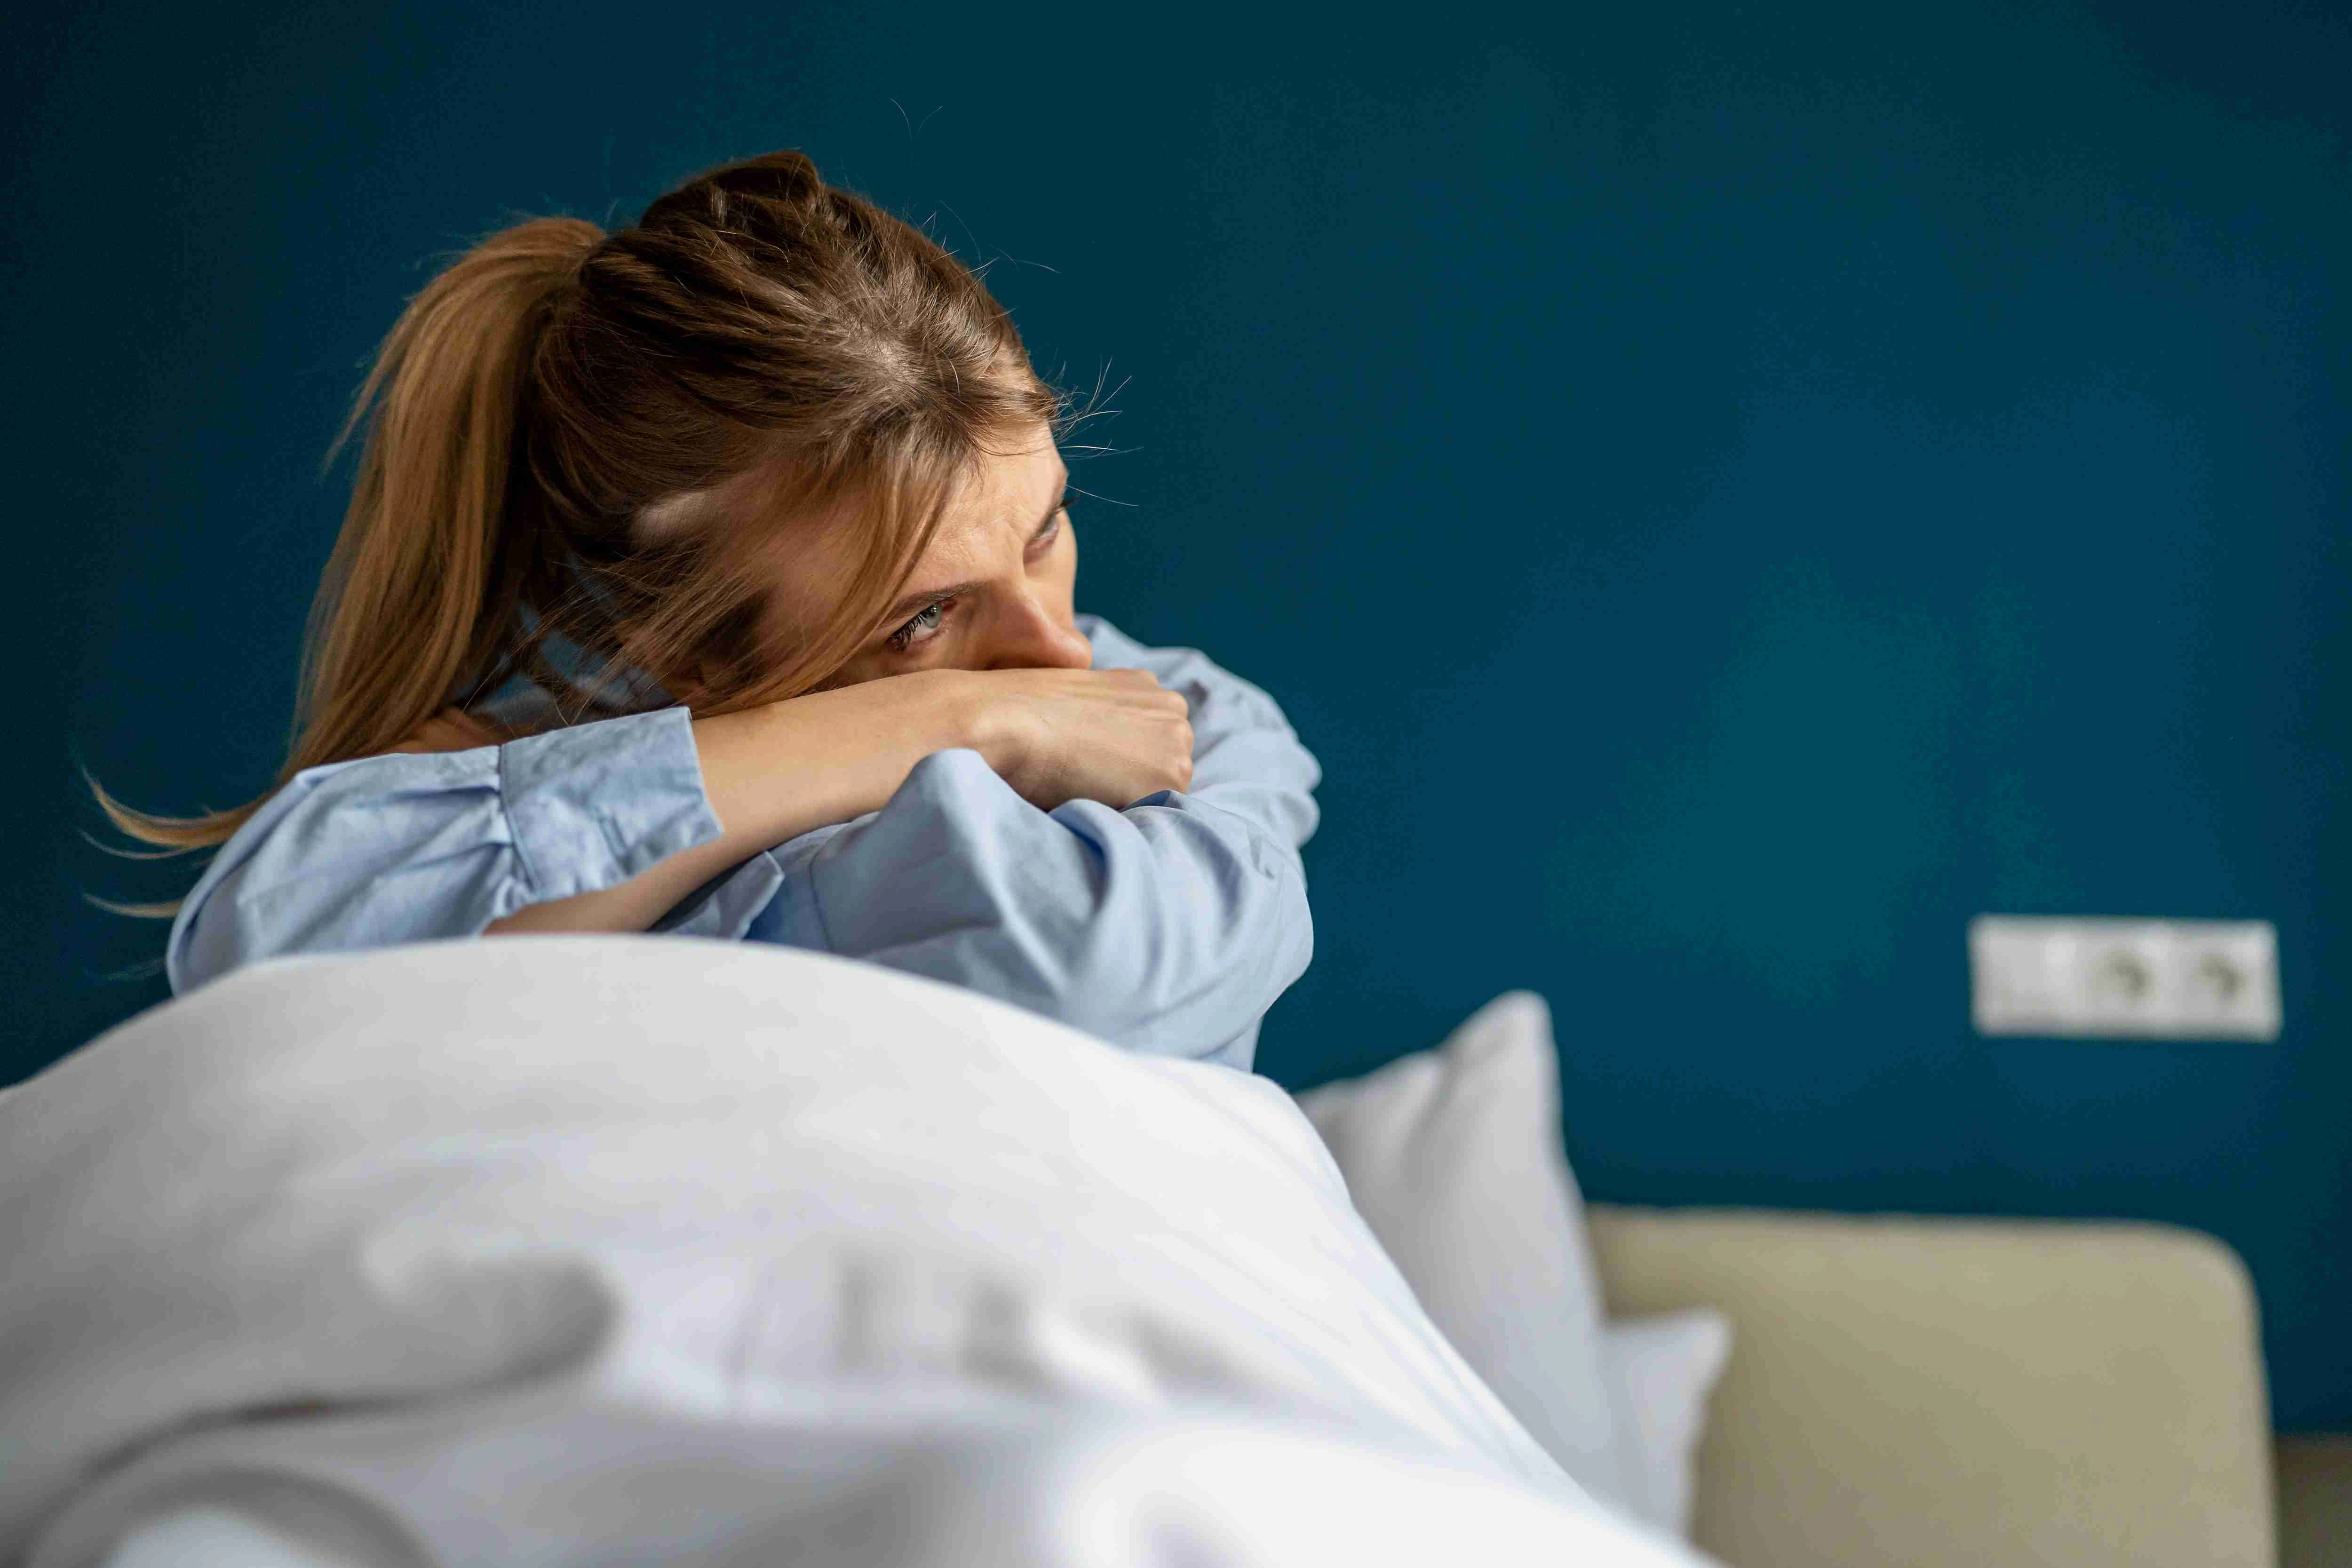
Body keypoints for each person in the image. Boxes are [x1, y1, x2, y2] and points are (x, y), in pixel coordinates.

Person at [96, 150, 1318, 1072]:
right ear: (682, 649)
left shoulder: (1195, 721)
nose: (1055, 650)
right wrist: (941, 727)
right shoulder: (540, 750)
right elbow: (256, 976)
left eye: (1045, 527)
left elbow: (1092, 972)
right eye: (922, 619)